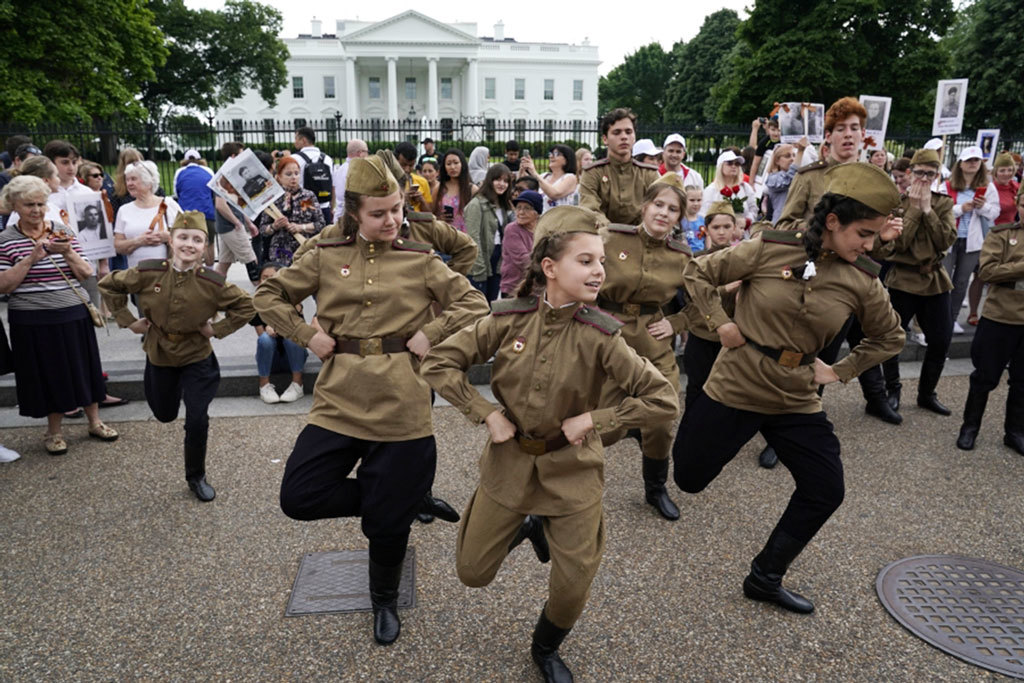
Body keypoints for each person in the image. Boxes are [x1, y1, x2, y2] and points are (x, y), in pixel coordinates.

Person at [420, 205, 678, 682]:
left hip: (573, 472)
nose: (600, 271)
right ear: (549, 267)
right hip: (509, 465)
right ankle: (528, 523)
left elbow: (663, 398)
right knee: (472, 572)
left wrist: (595, 419)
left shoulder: (603, 335)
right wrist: (486, 413)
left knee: (572, 586)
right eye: (586, 261)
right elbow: (437, 363)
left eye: (602, 261)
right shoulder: (508, 320)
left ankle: (544, 648)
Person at [254, 155, 489, 646]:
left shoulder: (419, 256)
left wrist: (432, 330)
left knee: (386, 529)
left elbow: (473, 301)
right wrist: (305, 334)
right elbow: (268, 297)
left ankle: (383, 599)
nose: (392, 220)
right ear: (353, 213)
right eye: (379, 213)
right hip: (339, 398)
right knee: (299, 496)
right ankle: (403, 498)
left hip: (403, 402)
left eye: (397, 209)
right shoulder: (324, 252)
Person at [673, 163, 905, 614]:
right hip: (736, 384)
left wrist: (840, 371)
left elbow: (890, 337)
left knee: (826, 488)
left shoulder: (862, 278)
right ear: (833, 221)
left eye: (875, 236)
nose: (870, 244)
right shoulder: (769, 249)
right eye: (864, 232)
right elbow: (697, 274)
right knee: (689, 478)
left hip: (796, 396)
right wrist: (720, 324)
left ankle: (765, 577)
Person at [100, 211, 255, 501]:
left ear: (205, 248)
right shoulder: (148, 272)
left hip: (197, 357)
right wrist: (127, 320)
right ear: (171, 241)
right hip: (159, 355)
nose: (189, 244)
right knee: (164, 413)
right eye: (183, 237)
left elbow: (247, 306)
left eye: (197, 240)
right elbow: (109, 284)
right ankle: (170, 402)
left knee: (197, 419)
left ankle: (196, 476)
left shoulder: (212, 282)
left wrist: (217, 329)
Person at [595, 175, 692, 521]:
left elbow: (702, 300)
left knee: (664, 417)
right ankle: (568, 488)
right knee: (602, 425)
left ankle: (655, 488)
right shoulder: (611, 238)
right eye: (659, 205)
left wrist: (676, 323)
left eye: (673, 210)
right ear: (645, 207)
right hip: (609, 340)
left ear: (679, 218)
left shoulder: (681, 256)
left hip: (654, 344)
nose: (664, 213)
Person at [0, 175, 119, 455]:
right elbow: (4, 285)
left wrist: (67, 253)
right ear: (14, 205)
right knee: (47, 375)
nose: (37, 210)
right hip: (31, 319)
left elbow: (86, 272)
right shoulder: (5, 240)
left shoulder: (62, 231)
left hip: (71, 312)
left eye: (41, 203)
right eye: (29, 204)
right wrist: (31, 258)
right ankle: (53, 432)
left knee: (84, 368)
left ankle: (95, 422)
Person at [869, 149, 957, 419]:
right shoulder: (899, 204)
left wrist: (928, 209)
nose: (924, 178)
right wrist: (917, 211)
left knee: (940, 341)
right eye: (919, 172)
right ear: (910, 173)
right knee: (892, 338)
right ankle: (893, 389)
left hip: (934, 280)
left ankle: (926, 393)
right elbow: (899, 243)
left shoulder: (943, 204)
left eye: (930, 173)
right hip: (903, 280)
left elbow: (945, 241)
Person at [956, 187, 1024, 454]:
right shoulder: (1002, 234)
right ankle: (969, 428)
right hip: (1001, 317)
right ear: (1018, 204)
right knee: (984, 377)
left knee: (1022, 381)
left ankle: (1015, 431)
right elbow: (988, 270)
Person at [678, 201, 741, 411]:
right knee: (697, 389)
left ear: (735, 228)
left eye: (726, 226)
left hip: (732, 337)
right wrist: (726, 289)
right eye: (716, 227)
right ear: (706, 229)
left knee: (729, 393)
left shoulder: (743, 259)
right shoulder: (697, 261)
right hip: (703, 335)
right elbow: (693, 298)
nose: (721, 232)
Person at [776, 97, 868, 231]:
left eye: (854, 128)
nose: (848, 134)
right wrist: (817, 226)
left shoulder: (871, 178)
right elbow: (783, 226)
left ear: (863, 134)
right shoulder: (808, 177)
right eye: (841, 129)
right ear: (828, 136)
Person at [942, 145, 1000, 332]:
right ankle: (939, 318)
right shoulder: (947, 184)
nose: (973, 163)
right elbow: (939, 210)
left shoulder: (988, 186)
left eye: (976, 160)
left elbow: (994, 212)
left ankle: (952, 319)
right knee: (943, 280)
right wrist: (961, 209)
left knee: (961, 281)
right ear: (960, 164)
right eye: (969, 160)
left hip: (972, 242)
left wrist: (981, 207)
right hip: (950, 239)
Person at [579, 108, 659, 225]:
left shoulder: (648, 174)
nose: (624, 137)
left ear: (634, 137)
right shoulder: (592, 172)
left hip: (641, 238)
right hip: (602, 238)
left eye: (628, 132)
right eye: (616, 132)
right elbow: (590, 209)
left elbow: (658, 207)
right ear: (605, 139)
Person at [251, 262, 307, 404]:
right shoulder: (256, 302)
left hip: (294, 356)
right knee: (265, 338)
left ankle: (297, 384)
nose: (269, 281)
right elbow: (262, 339)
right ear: (259, 281)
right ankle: (264, 385)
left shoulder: (293, 299)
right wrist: (269, 329)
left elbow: (299, 328)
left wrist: (278, 325)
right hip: (272, 358)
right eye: (265, 277)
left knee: (293, 337)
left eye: (273, 277)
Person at [257, 156, 326, 266]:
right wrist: (274, 226)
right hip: (280, 253)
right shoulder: (272, 199)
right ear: (279, 177)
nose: (293, 177)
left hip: (304, 250)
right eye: (288, 174)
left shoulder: (308, 196)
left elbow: (321, 224)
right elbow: (263, 230)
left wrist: (301, 227)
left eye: (296, 173)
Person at [114, 161, 180, 269]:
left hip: (167, 274)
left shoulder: (168, 204)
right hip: (136, 276)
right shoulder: (124, 210)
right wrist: (139, 241)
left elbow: (188, 234)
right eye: (127, 179)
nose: (129, 183)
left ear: (148, 182)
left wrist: (168, 237)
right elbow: (117, 246)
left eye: (134, 179)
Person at [464, 163, 513, 300]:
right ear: (490, 180)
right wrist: (478, 267)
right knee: (479, 304)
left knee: (492, 303)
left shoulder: (503, 205)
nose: (501, 184)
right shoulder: (476, 204)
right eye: (498, 179)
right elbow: (473, 238)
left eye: (505, 181)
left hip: (498, 259)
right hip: (482, 258)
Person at [173, 149, 216, 266]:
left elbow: (176, 193)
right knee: (209, 243)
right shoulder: (208, 171)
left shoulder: (180, 172)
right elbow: (213, 191)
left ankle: (196, 273)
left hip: (187, 214)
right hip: (207, 213)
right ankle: (209, 271)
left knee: (192, 244)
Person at [499, 190, 542, 296]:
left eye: (527, 208)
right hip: (514, 288)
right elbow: (522, 260)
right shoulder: (512, 229)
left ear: (537, 212)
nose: (521, 212)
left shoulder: (542, 230)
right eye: (518, 207)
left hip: (537, 289)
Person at [702, 150, 757, 227]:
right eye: (729, 163)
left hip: (742, 233)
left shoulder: (745, 188)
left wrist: (746, 221)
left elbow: (753, 209)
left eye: (737, 164)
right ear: (721, 166)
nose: (734, 166)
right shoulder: (711, 190)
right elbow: (704, 213)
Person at [519, 144, 578, 213]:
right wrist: (522, 172)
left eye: (556, 154)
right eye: (550, 154)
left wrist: (534, 173)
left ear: (567, 159)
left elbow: (554, 194)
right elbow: (525, 191)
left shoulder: (570, 177)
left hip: (559, 220)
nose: (551, 156)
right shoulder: (544, 176)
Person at [293, 126, 334, 224]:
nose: (294, 142)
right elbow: (332, 186)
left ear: (303, 140)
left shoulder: (294, 158)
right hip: (324, 205)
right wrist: (332, 207)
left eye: (296, 139)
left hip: (304, 205)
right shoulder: (327, 159)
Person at [762, 140, 807, 225]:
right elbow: (788, 180)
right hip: (781, 225)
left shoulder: (800, 176)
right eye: (787, 156)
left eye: (794, 155)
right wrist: (800, 152)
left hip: (798, 224)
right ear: (777, 161)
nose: (792, 159)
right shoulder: (772, 178)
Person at [432, 148, 475, 232]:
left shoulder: (472, 189)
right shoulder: (439, 188)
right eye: (448, 164)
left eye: (456, 163)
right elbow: (432, 214)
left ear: (462, 164)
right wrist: (440, 218)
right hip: (445, 235)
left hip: (465, 238)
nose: (452, 167)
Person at [333, 139, 369, 221]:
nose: (367, 155)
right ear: (360, 153)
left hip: (339, 216)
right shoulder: (359, 171)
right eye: (366, 152)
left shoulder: (340, 169)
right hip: (353, 219)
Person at [394, 142, 432, 213]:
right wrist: (403, 198)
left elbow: (429, 214)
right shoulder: (387, 182)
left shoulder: (422, 182)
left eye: (411, 165)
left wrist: (421, 200)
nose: (407, 169)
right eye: (403, 165)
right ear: (395, 161)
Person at [681, 186, 705, 251]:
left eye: (699, 200)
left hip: (701, 255)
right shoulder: (679, 220)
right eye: (692, 200)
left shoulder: (703, 221)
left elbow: (708, 238)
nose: (696, 203)